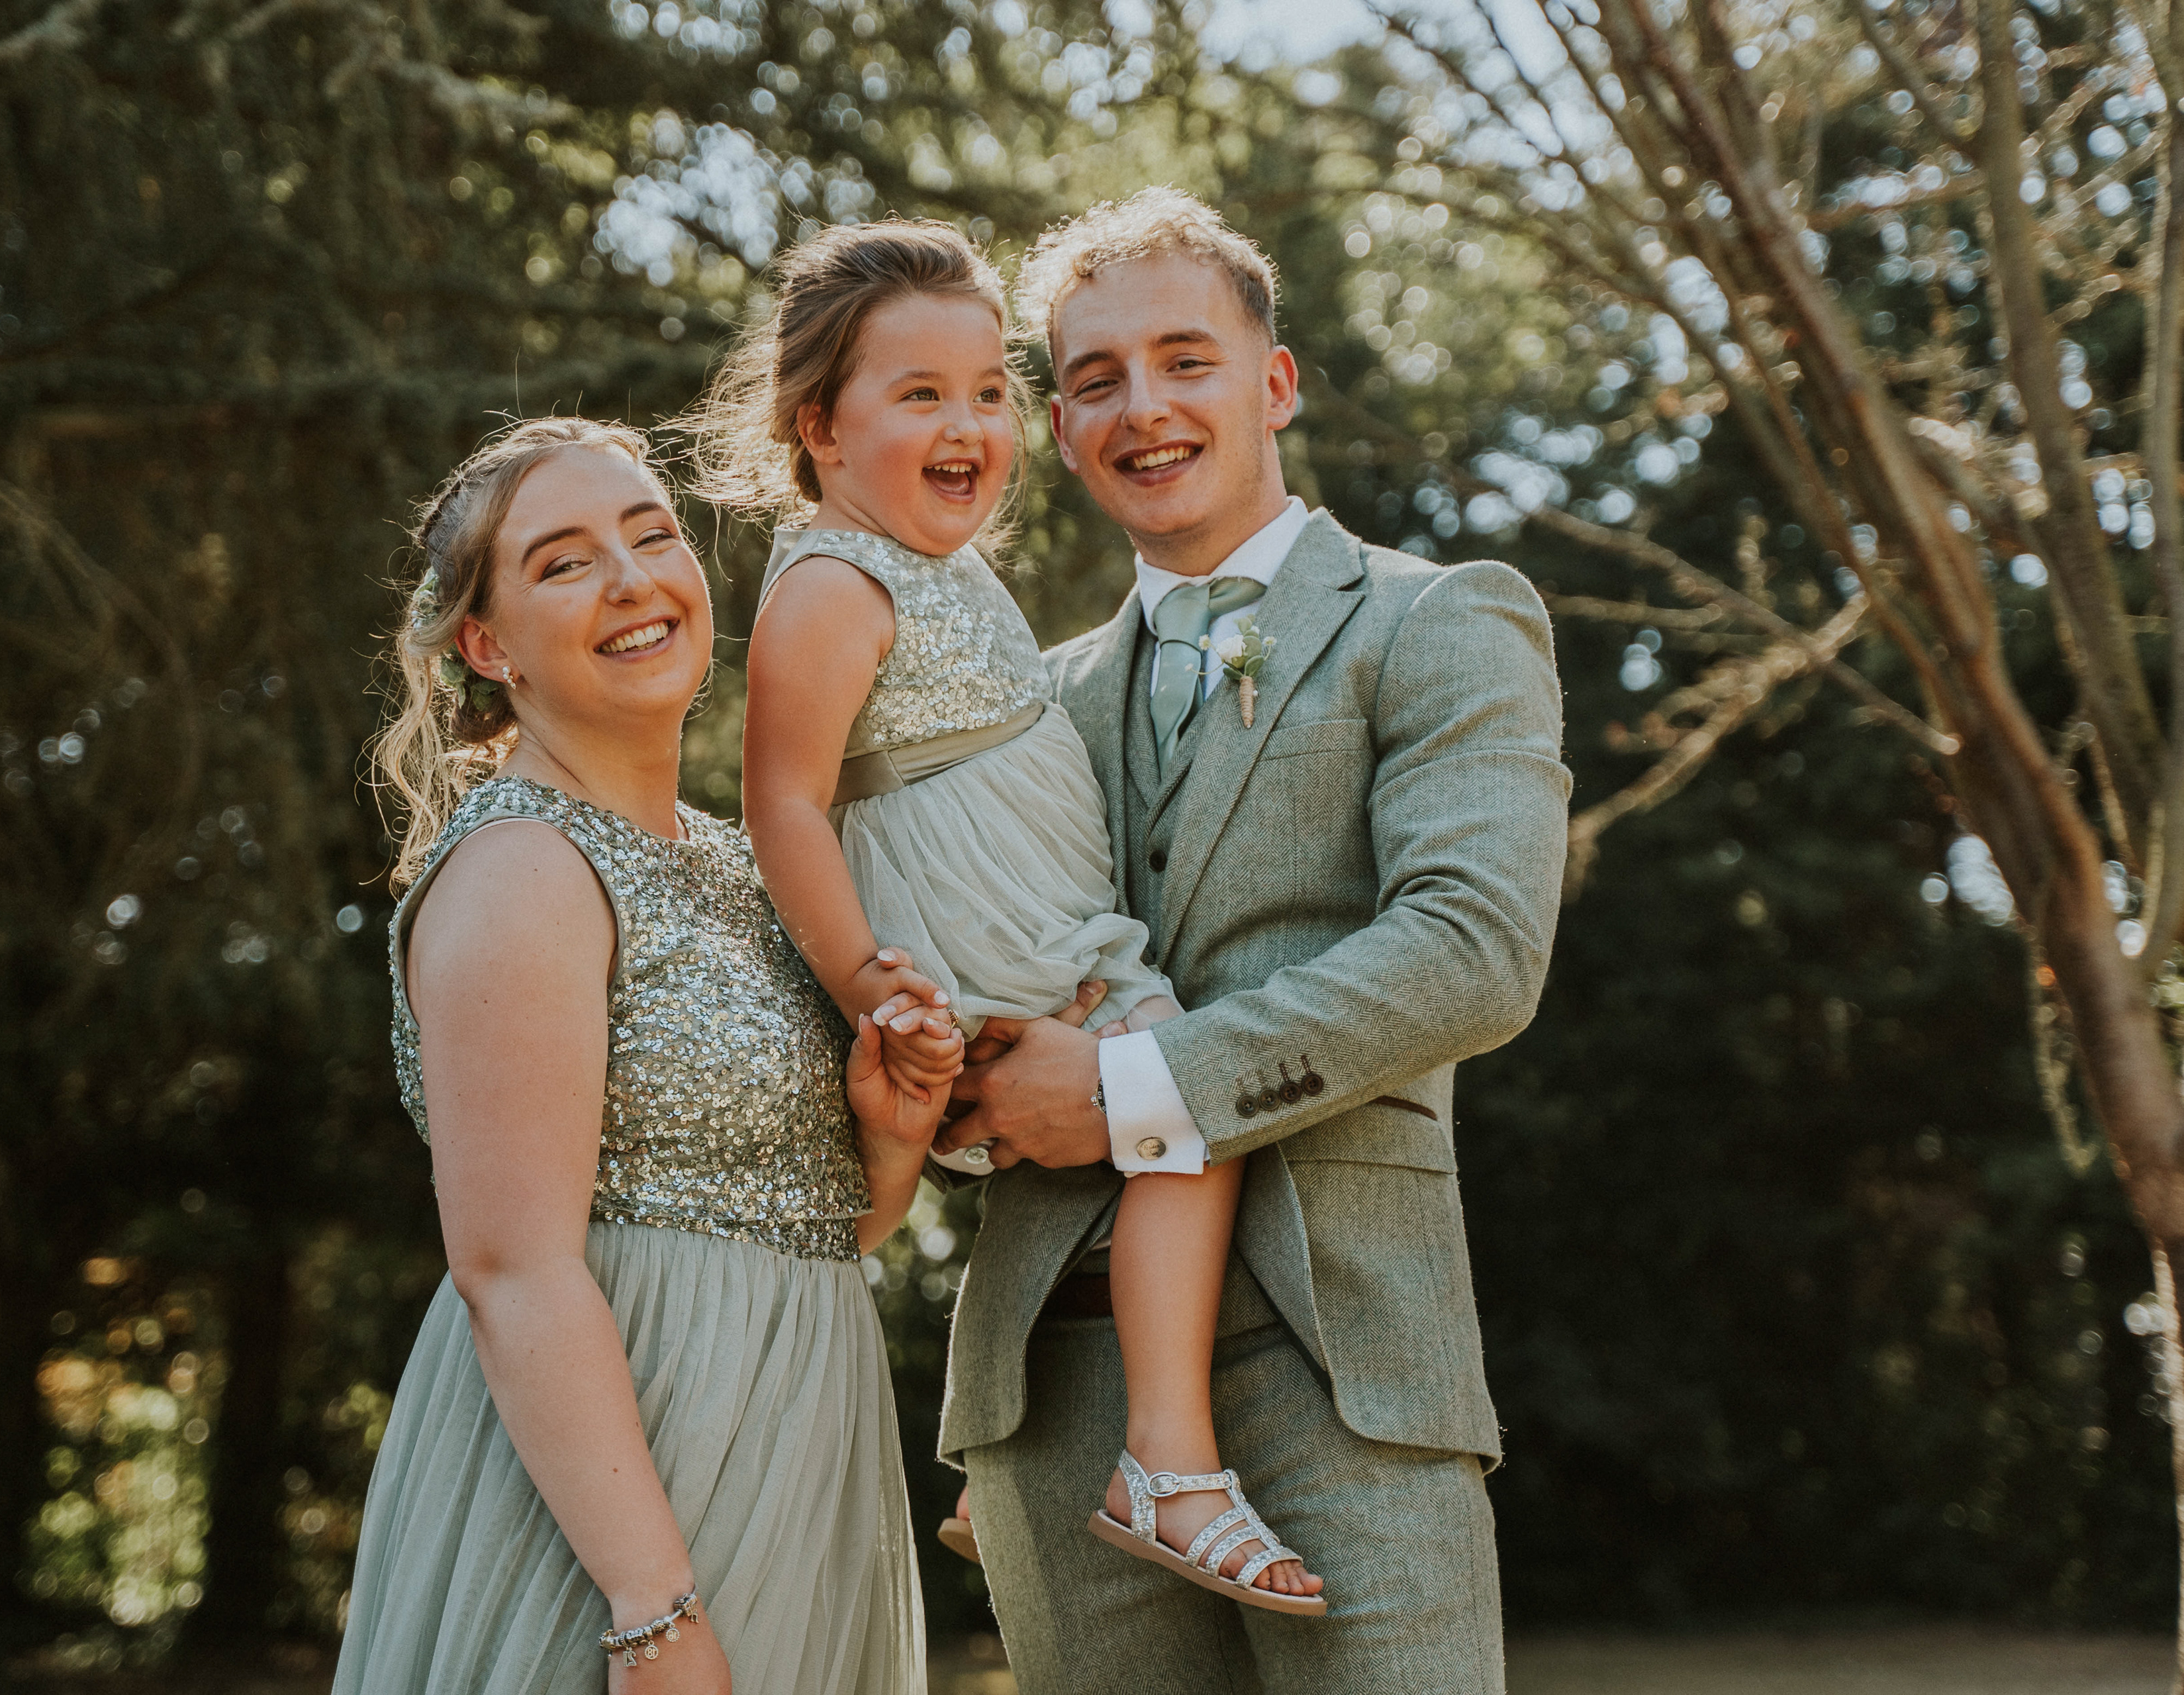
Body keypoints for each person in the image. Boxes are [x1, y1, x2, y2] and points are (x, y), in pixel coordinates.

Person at [933, 190, 1571, 1693]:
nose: (1141, 407)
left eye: (1184, 359)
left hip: (1348, 1363)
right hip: (1050, 1384)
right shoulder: (1020, 699)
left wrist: (1125, 1084)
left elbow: (1476, 945)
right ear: (1064, 421)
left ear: (1271, 383)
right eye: (1093, 379)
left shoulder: (1438, 619)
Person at [695, 220, 1325, 1612]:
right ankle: (1169, 1459)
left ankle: (1004, 1468)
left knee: (1105, 1159)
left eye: (989, 390)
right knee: (1181, 1109)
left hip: (1031, 922)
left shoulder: (943, 563)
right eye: (919, 395)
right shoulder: (832, 580)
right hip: (971, 939)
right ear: (820, 428)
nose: (970, 423)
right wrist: (870, 984)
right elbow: (787, 805)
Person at [333, 417, 945, 1695]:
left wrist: (888, 1132)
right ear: (488, 648)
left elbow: (820, 1226)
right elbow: (512, 1268)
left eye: (651, 534)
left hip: (798, 1449)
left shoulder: (750, 865)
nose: (630, 579)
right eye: (563, 562)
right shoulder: (519, 872)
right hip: (615, 1520)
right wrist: (652, 1613)